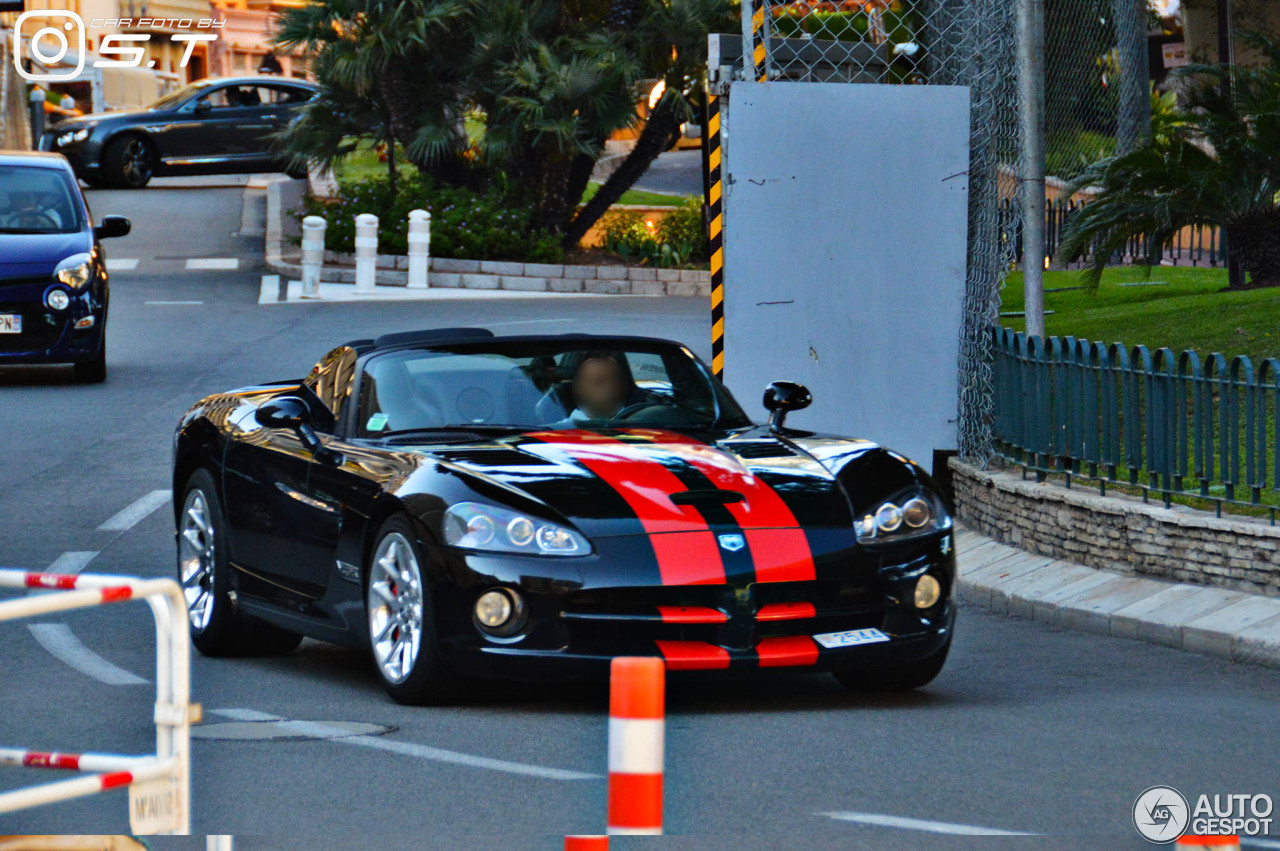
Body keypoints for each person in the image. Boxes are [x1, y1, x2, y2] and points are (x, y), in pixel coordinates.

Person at [567, 351, 633, 421]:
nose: (609, 388)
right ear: (578, 387)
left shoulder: (640, 421)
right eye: (598, 382)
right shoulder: (560, 429)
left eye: (615, 380)